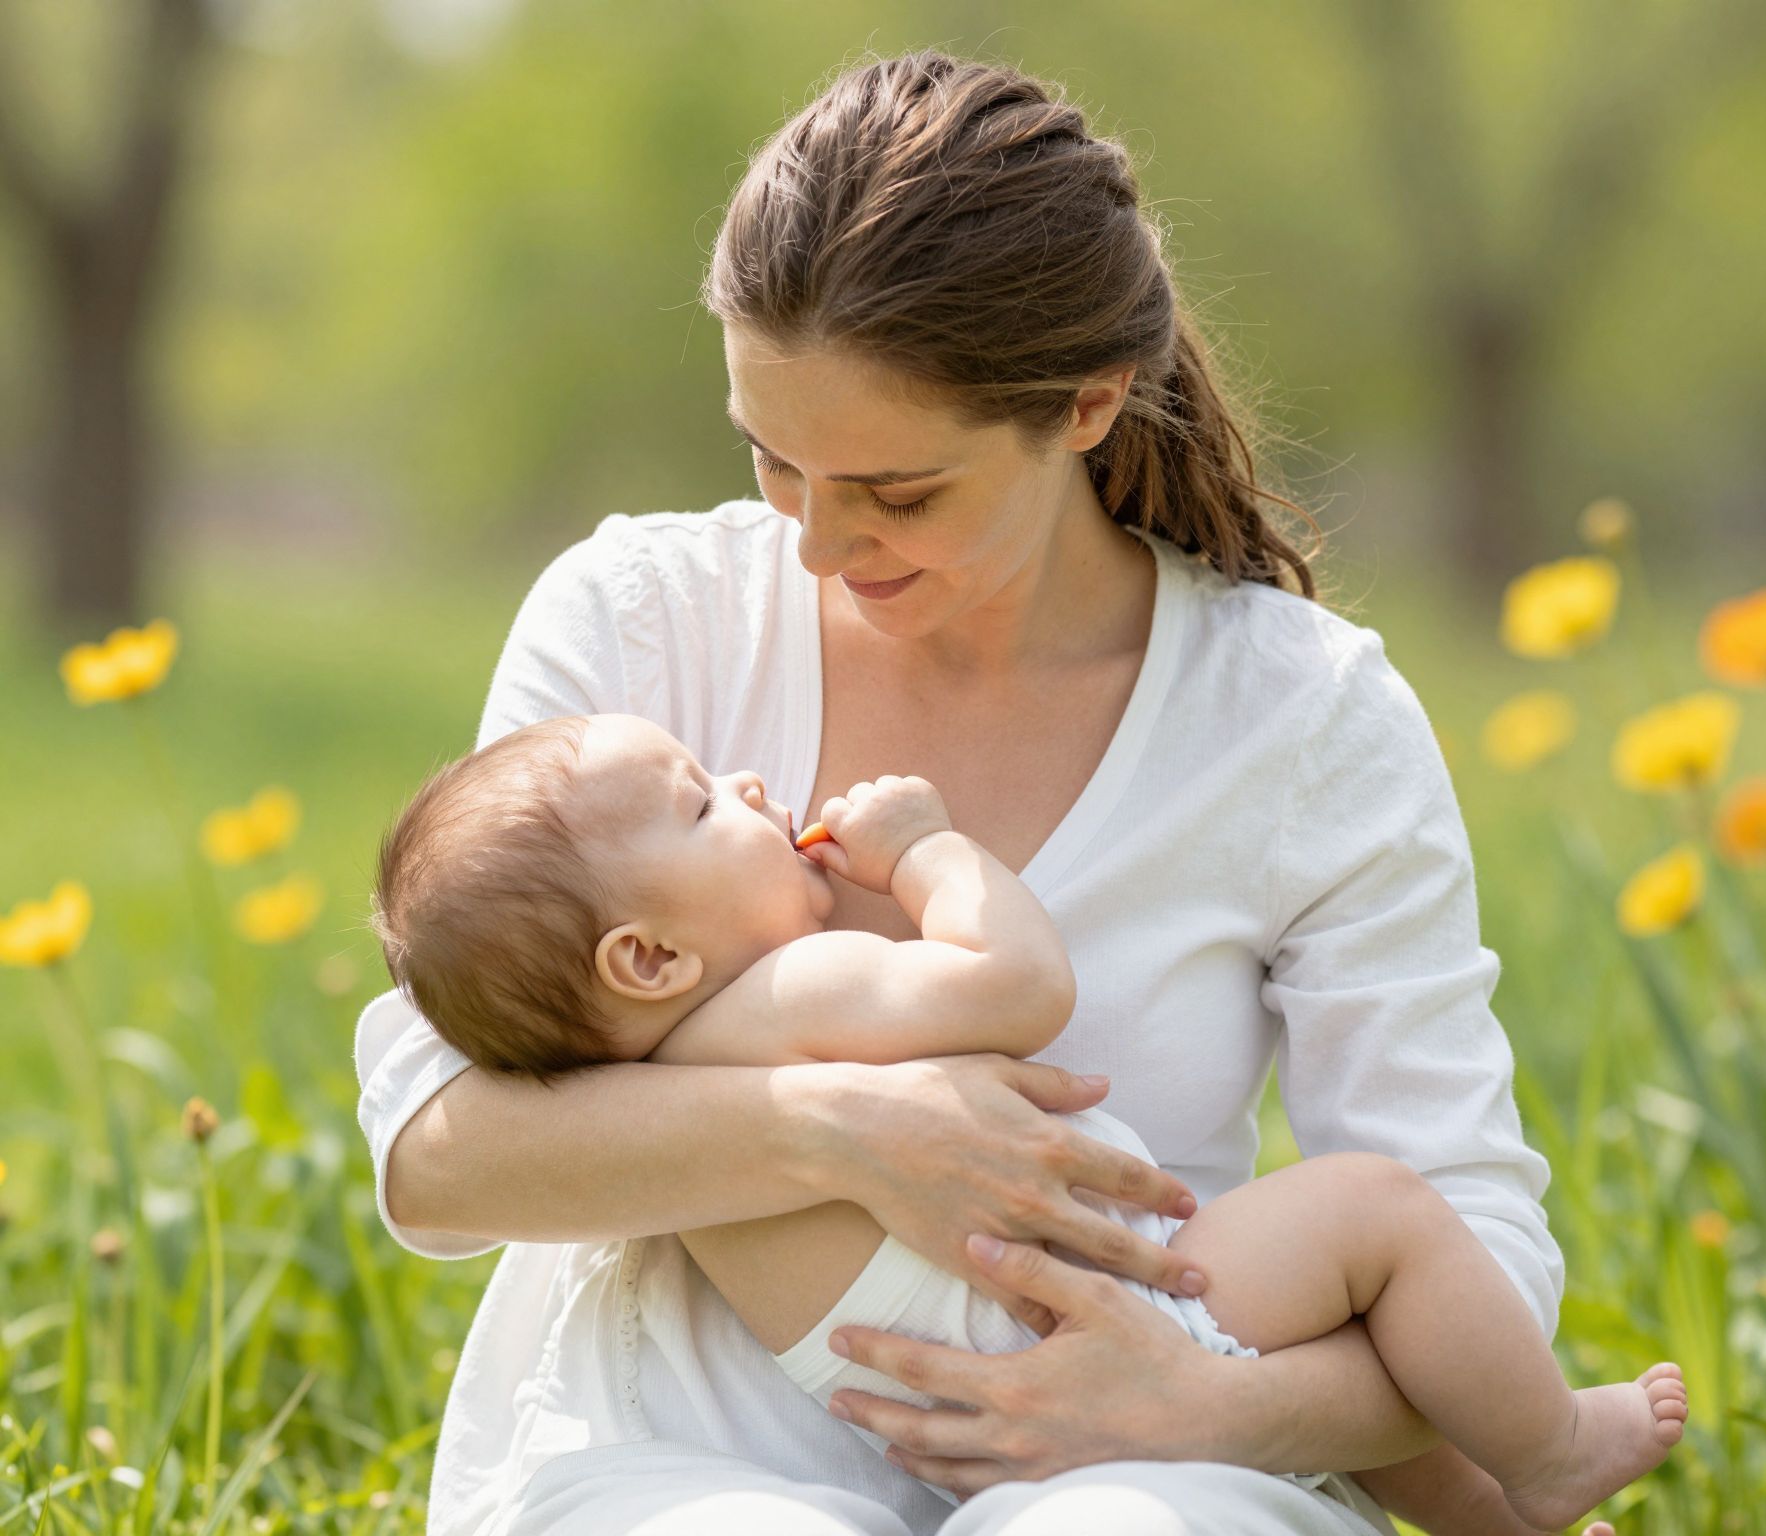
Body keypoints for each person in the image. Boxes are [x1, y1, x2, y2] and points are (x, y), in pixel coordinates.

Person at [354, 49, 1581, 1536]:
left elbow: (1465, 1233)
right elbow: (441, 1152)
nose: (814, 544)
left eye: (896, 491)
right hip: (667, 1461)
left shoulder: (1302, 720)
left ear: (1085, 405)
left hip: (1151, 1454)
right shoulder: (639, 622)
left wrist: (1224, 1407)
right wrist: (832, 1130)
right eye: (773, 461)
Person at [368, 719, 1686, 1534]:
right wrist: (927, 853)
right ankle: (1554, 1447)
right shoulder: (790, 996)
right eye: (705, 802)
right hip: (1107, 1316)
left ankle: (1509, 1514)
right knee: (1379, 1216)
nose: (751, 782)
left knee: (1353, 1329)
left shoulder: (642, 1104)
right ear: (649, 960)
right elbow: (1018, 986)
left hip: (951, 1403)